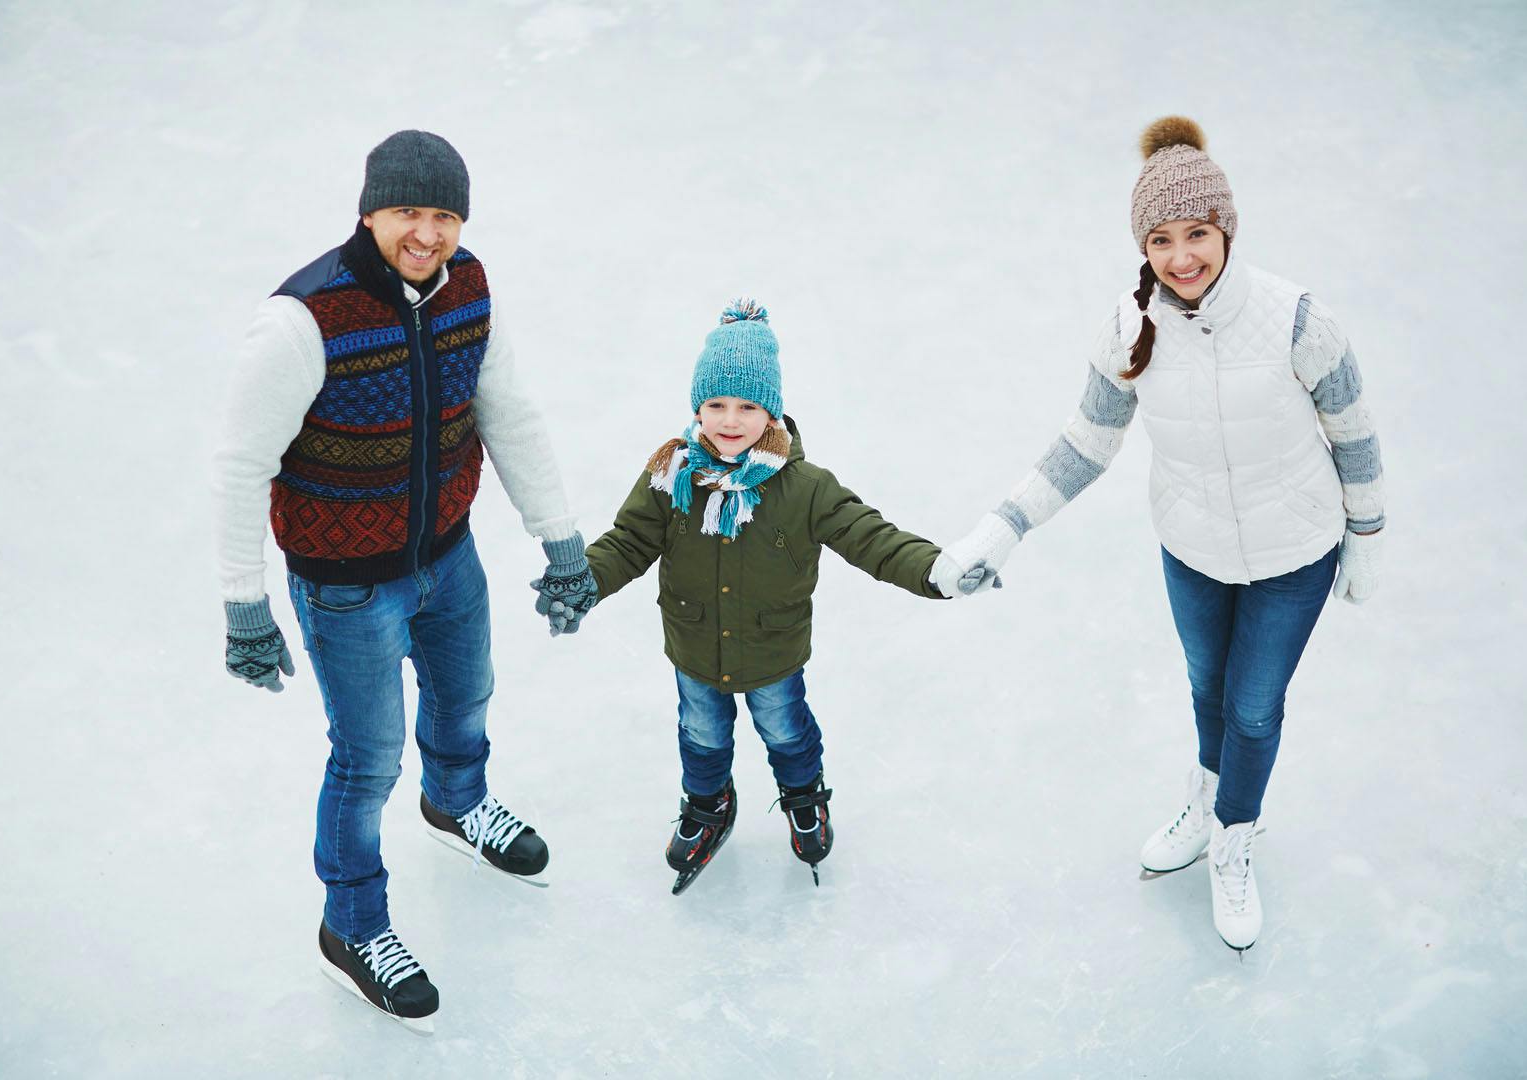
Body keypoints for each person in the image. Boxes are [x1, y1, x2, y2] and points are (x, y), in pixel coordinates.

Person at [931, 117, 1386, 952]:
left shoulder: (1296, 320)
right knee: (1207, 687)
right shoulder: (1129, 327)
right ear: (1143, 246)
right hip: (1194, 547)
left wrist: (1367, 531)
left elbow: (1352, 430)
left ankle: (1234, 837)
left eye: (1198, 234)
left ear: (1226, 231)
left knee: (1254, 707)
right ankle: (1209, 800)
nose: (1182, 257)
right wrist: (1002, 528)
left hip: (1294, 551)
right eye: (1161, 240)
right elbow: (1085, 443)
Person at [212, 130, 598, 1029]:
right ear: (369, 213)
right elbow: (239, 465)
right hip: (346, 584)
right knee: (367, 759)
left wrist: (560, 540)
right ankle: (350, 926)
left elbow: (509, 411)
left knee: (467, 697)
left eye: (444, 215)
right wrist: (245, 606)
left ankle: (456, 803)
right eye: (407, 212)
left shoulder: (468, 288)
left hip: (447, 555)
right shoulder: (304, 318)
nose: (427, 234)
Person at [580, 300, 961, 894]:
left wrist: (935, 570)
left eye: (748, 407)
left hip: (771, 649)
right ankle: (708, 803)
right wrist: (583, 581)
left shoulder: (805, 488)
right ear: (697, 408)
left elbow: (871, 537)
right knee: (701, 734)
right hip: (695, 644)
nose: (730, 421)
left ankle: (804, 795)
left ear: (772, 411)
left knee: (786, 731)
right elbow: (629, 541)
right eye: (716, 405)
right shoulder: (672, 474)